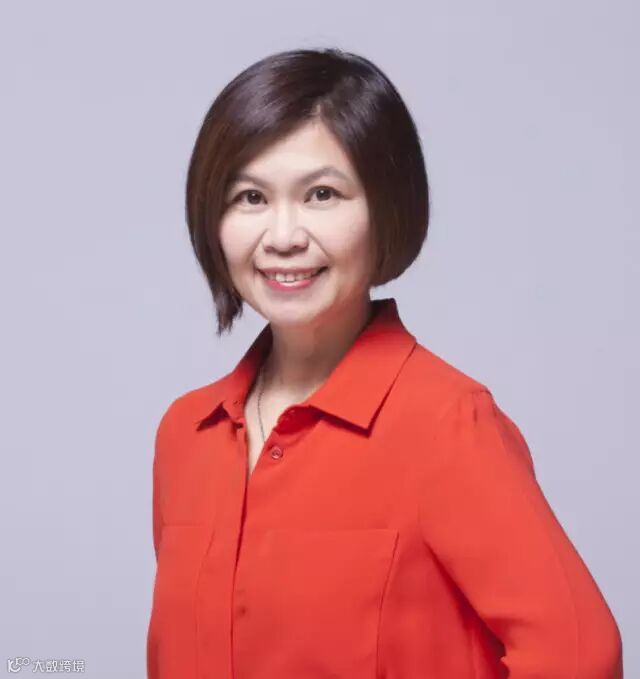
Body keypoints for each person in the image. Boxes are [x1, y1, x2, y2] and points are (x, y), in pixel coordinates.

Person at [146, 48, 623, 679]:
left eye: (322, 194)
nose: (283, 236)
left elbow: (580, 655)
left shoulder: (446, 423)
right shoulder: (187, 434)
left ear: (386, 208)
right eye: (250, 197)